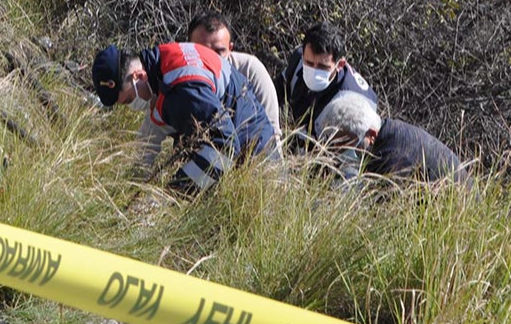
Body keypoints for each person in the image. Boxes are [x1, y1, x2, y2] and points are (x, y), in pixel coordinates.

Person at [93, 41, 276, 194]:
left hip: (256, 157)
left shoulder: (181, 90)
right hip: (243, 141)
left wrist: (174, 193)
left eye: (129, 100)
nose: (132, 106)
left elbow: (225, 146)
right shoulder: (162, 63)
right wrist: (130, 188)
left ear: (138, 76)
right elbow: (147, 144)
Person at [315, 91, 469, 185]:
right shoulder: (389, 133)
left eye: (349, 146)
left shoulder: (392, 159)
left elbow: (385, 220)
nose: (343, 154)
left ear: (371, 136)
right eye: (337, 147)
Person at [184, 11, 281, 136]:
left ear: (230, 48)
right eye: (202, 51)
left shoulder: (250, 70)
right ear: (188, 48)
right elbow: (152, 137)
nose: (211, 58)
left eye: (219, 51)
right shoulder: (175, 75)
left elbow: (272, 130)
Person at [276, 21, 377, 132]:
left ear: (340, 65)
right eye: (309, 63)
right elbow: (274, 93)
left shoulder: (353, 101)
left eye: (322, 67)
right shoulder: (298, 60)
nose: (314, 71)